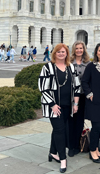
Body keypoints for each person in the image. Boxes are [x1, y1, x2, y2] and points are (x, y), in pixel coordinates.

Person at [38, 43, 81, 173]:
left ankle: (52, 152)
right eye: (59, 52)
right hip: (54, 107)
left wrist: (76, 104)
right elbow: (43, 88)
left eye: (63, 52)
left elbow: (77, 87)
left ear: (67, 53)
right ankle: (63, 159)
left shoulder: (71, 67)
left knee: (58, 130)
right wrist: (52, 105)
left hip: (68, 105)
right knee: (60, 130)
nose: (61, 54)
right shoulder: (48, 68)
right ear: (54, 53)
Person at [68, 41, 90, 157]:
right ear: (74, 50)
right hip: (71, 96)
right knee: (71, 121)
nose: (79, 50)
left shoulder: (88, 63)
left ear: (84, 49)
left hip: (82, 96)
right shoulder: (69, 63)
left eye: (81, 48)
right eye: (77, 48)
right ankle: (71, 146)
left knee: (80, 121)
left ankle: (77, 145)